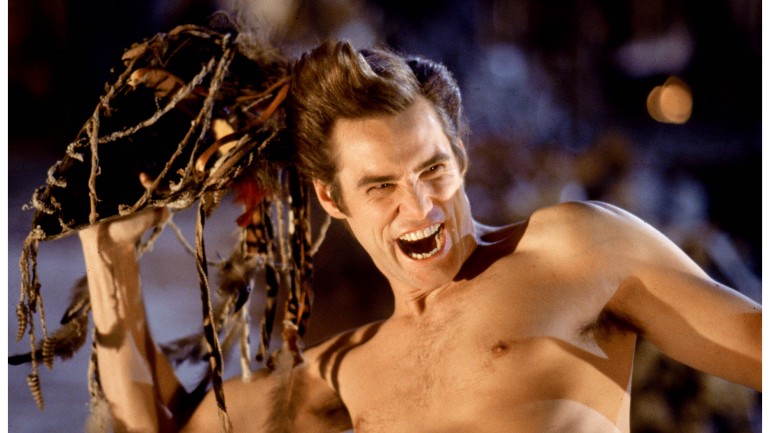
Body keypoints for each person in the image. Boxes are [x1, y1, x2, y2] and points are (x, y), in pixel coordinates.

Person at [79, 40, 761, 433]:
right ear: (332, 198)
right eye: (381, 185)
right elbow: (160, 426)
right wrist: (106, 246)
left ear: (460, 156)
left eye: (433, 169)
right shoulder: (343, 372)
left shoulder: (571, 250)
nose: (421, 205)